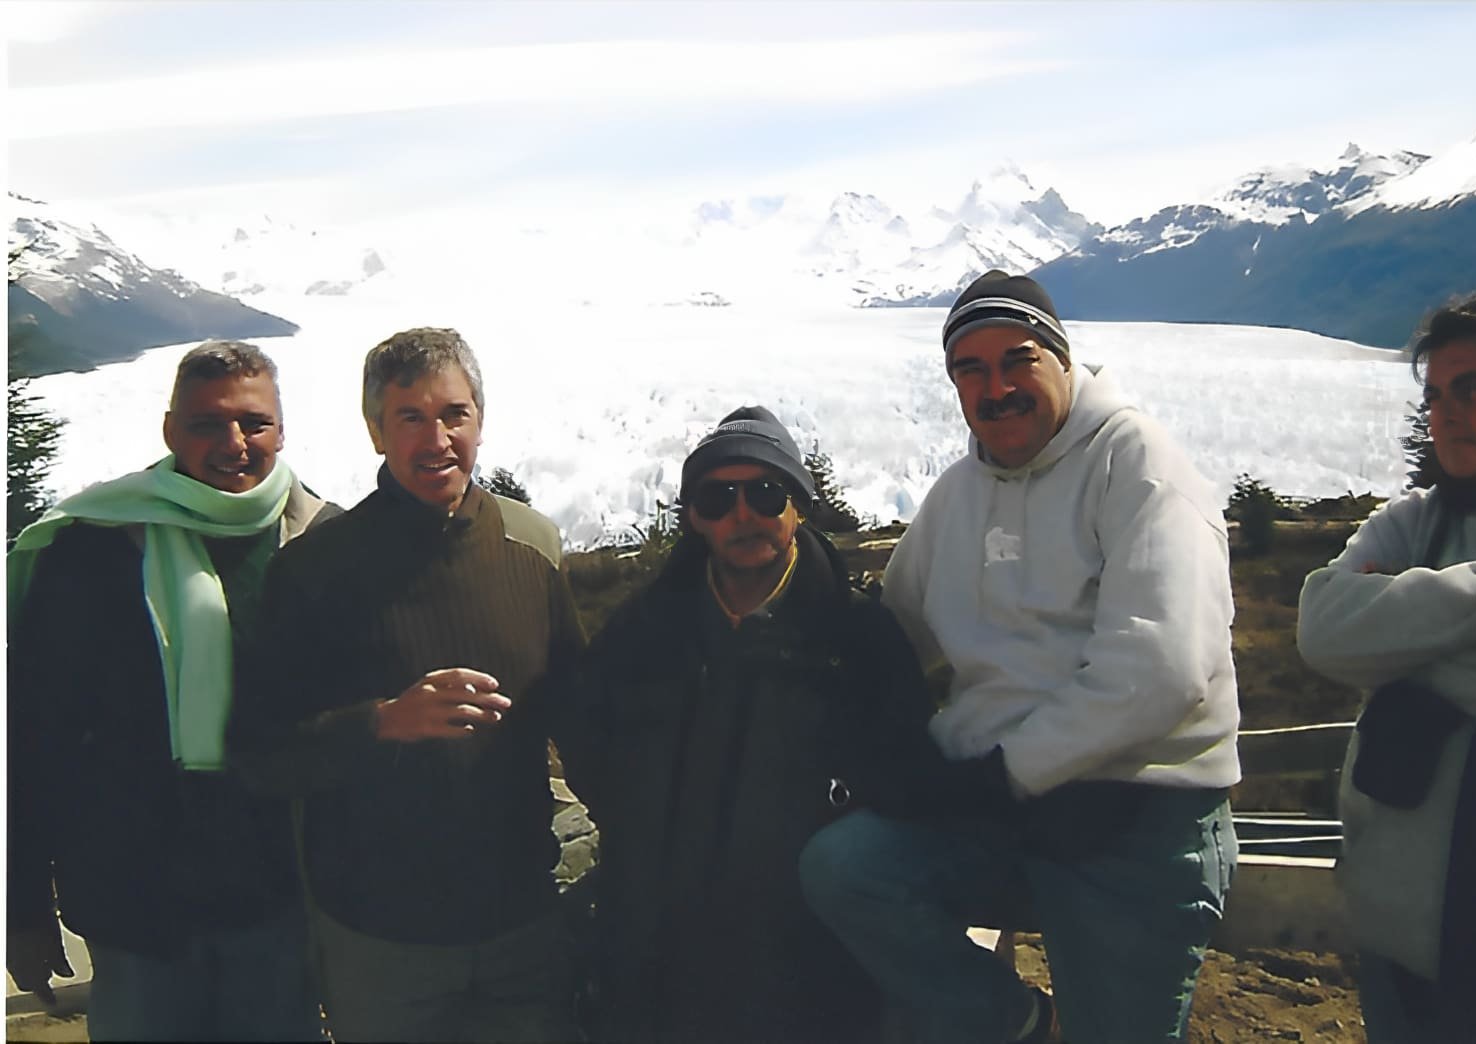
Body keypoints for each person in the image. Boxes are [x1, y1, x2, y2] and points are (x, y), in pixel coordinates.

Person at [799, 270, 1242, 1043]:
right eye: (970, 370)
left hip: (1134, 808)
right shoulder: (962, 491)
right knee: (846, 869)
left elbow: (1162, 670)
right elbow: (894, 632)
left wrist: (1001, 773)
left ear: (1063, 361)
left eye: (1017, 360)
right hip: (994, 805)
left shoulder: (1137, 466)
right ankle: (1011, 1024)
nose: (995, 387)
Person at [225, 327, 584, 1043]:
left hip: (522, 926)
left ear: (480, 419)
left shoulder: (532, 547)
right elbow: (258, 755)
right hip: (382, 943)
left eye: (454, 414)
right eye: (410, 418)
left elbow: (583, 720)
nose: (437, 438)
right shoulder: (315, 570)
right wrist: (382, 722)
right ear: (375, 432)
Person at [554, 405, 944, 1044]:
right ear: (695, 519)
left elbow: (907, 782)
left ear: (798, 505)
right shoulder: (642, 634)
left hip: (810, 973)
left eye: (766, 492)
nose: (743, 514)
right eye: (718, 497)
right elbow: (588, 744)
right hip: (659, 966)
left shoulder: (858, 639)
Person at [7, 341, 333, 1042]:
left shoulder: (324, 543)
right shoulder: (93, 549)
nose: (234, 444)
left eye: (254, 423)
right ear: (169, 431)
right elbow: (34, 735)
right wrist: (24, 904)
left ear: (283, 427)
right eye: (207, 424)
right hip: (137, 905)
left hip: (282, 900)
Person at [1297, 288, 1476, 1043]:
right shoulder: (1414, 520)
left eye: (1474, 387)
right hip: (1401, 960)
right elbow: (1323, 625)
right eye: (1436, 394)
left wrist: (1408, 649)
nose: (1447, 411)